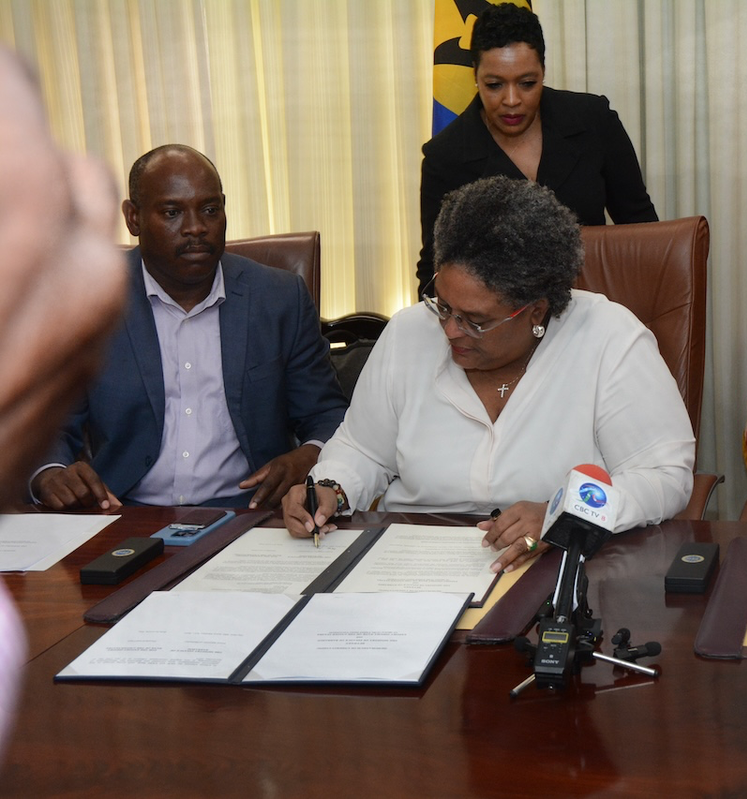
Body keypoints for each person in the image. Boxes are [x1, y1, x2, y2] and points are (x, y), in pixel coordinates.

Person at [284, 176, 694, 574]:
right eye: (443, 306)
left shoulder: (609, 340)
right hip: (411, 568)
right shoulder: (409, 333)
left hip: (556, 569)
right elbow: (363, 450)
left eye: (475, 321)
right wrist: (330, 489)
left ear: (536, 310)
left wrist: (565, 515)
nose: (449, 330)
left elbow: (663, 477)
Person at [31, 144, 348, 511]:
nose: (196, 228)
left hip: (251, 514)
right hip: (121, 513)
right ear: (133, 218)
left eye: (210, 210)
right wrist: (49, 472)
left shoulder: (278, 299)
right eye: (172, 212)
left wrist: (306, 456)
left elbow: (325, 414)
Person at [0, 47, 129, 758]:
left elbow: (324, 417)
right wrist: (42, 466)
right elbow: (63, 438)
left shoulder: (271, 299)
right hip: (111, 536)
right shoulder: (96, 295)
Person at [417, 2, 657, 294]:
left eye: (527, 83)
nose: (512, 100)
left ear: (543, 71)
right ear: (475, 76)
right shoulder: (446, 156)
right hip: (498, 328)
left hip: (594, 311)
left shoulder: (593, 120)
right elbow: (435, 269)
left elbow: (641, 231)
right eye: (494, 85)